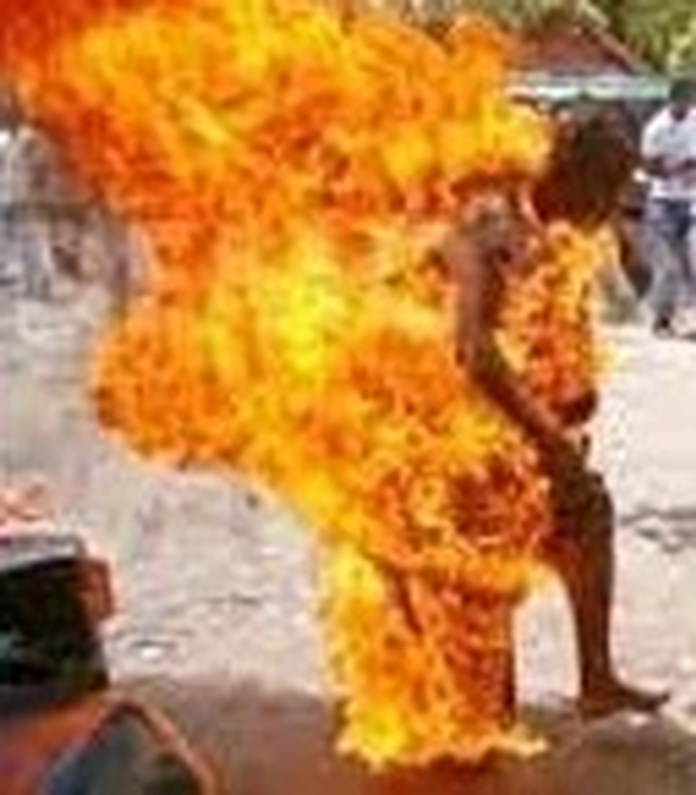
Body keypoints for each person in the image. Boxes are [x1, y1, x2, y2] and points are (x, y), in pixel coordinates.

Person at [640, 77, 696, 335]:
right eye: (682, 100)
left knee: (693, 260)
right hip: (663, 203)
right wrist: (676, 169)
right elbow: (649, 167)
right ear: (671, 100)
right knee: (668, 266)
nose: (687, 105)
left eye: (690, 100)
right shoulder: (656, 128)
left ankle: (690, 318)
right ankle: (662, 320)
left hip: (692, 201)